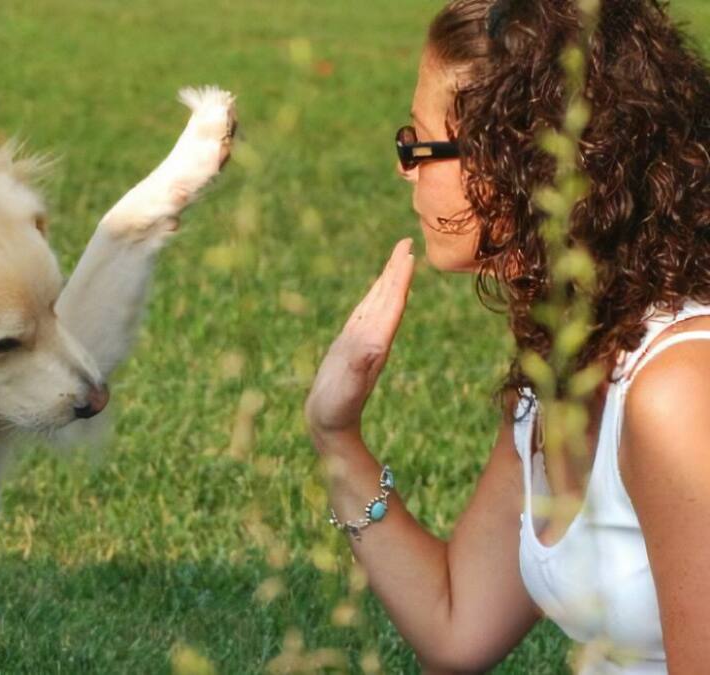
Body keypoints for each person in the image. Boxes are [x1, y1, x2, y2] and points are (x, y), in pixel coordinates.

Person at [303, 0, 710, 672]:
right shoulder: (564, 359)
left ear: (516, 164)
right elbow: (457, 624)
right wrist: (336, 435)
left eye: (418, 144)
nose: (405, 168)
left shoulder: (677, 391)